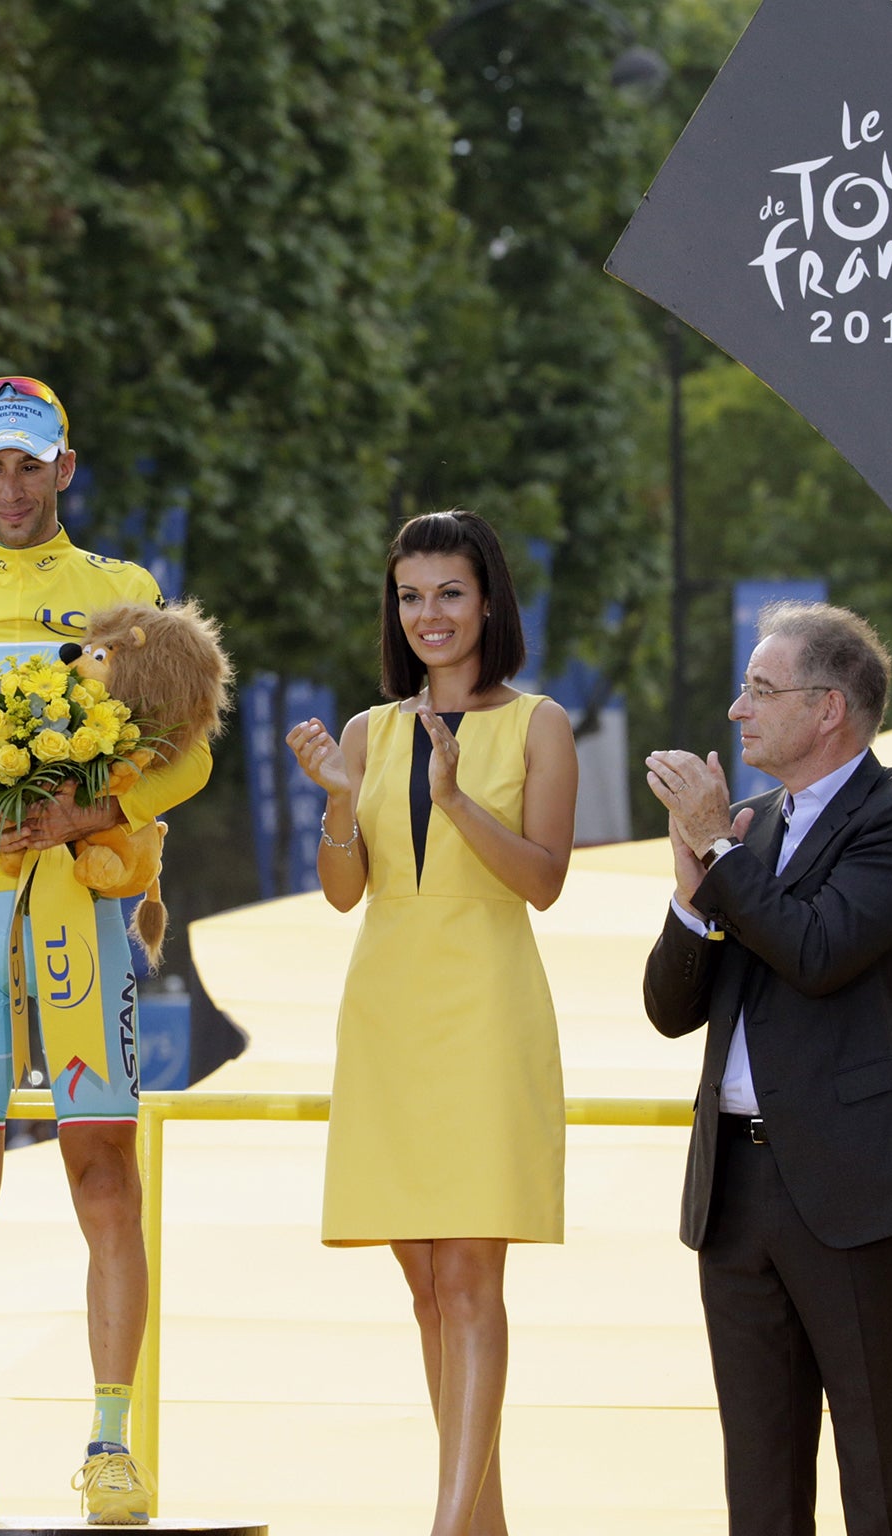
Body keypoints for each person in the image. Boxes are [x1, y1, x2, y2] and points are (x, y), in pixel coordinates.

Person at [0, 378, 211, 1525]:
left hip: (79, 900)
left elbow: (185, 754)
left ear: (65, 466)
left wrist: (90, 814)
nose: (11, 487)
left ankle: (111, 1445)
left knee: (101, 1177)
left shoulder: (120, 592)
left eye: (30, 464)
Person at [286, 510, 576, 1536]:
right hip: (386, 1011)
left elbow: (542, 881)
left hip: (485, 1007)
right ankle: (480, 1523)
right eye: (409, 596)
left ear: (487, 599)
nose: (428, 614)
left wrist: (453, 800)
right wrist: (333, 802)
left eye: (447, 592)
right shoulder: (369, 731)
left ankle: (447, 1526)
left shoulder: (539, 723)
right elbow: (342, 893)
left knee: (467, 1280)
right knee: (421, 1287)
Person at [643, 600, 892, 1536]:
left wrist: (724, 851)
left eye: (760, 690)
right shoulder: (750, 829)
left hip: (856, 1192)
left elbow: (818, 951)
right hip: (736, 1193)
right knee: (762, 1489)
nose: (738, 711)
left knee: (886, 1474)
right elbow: (670, 1010)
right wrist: (695, 895)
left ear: (828, 710)